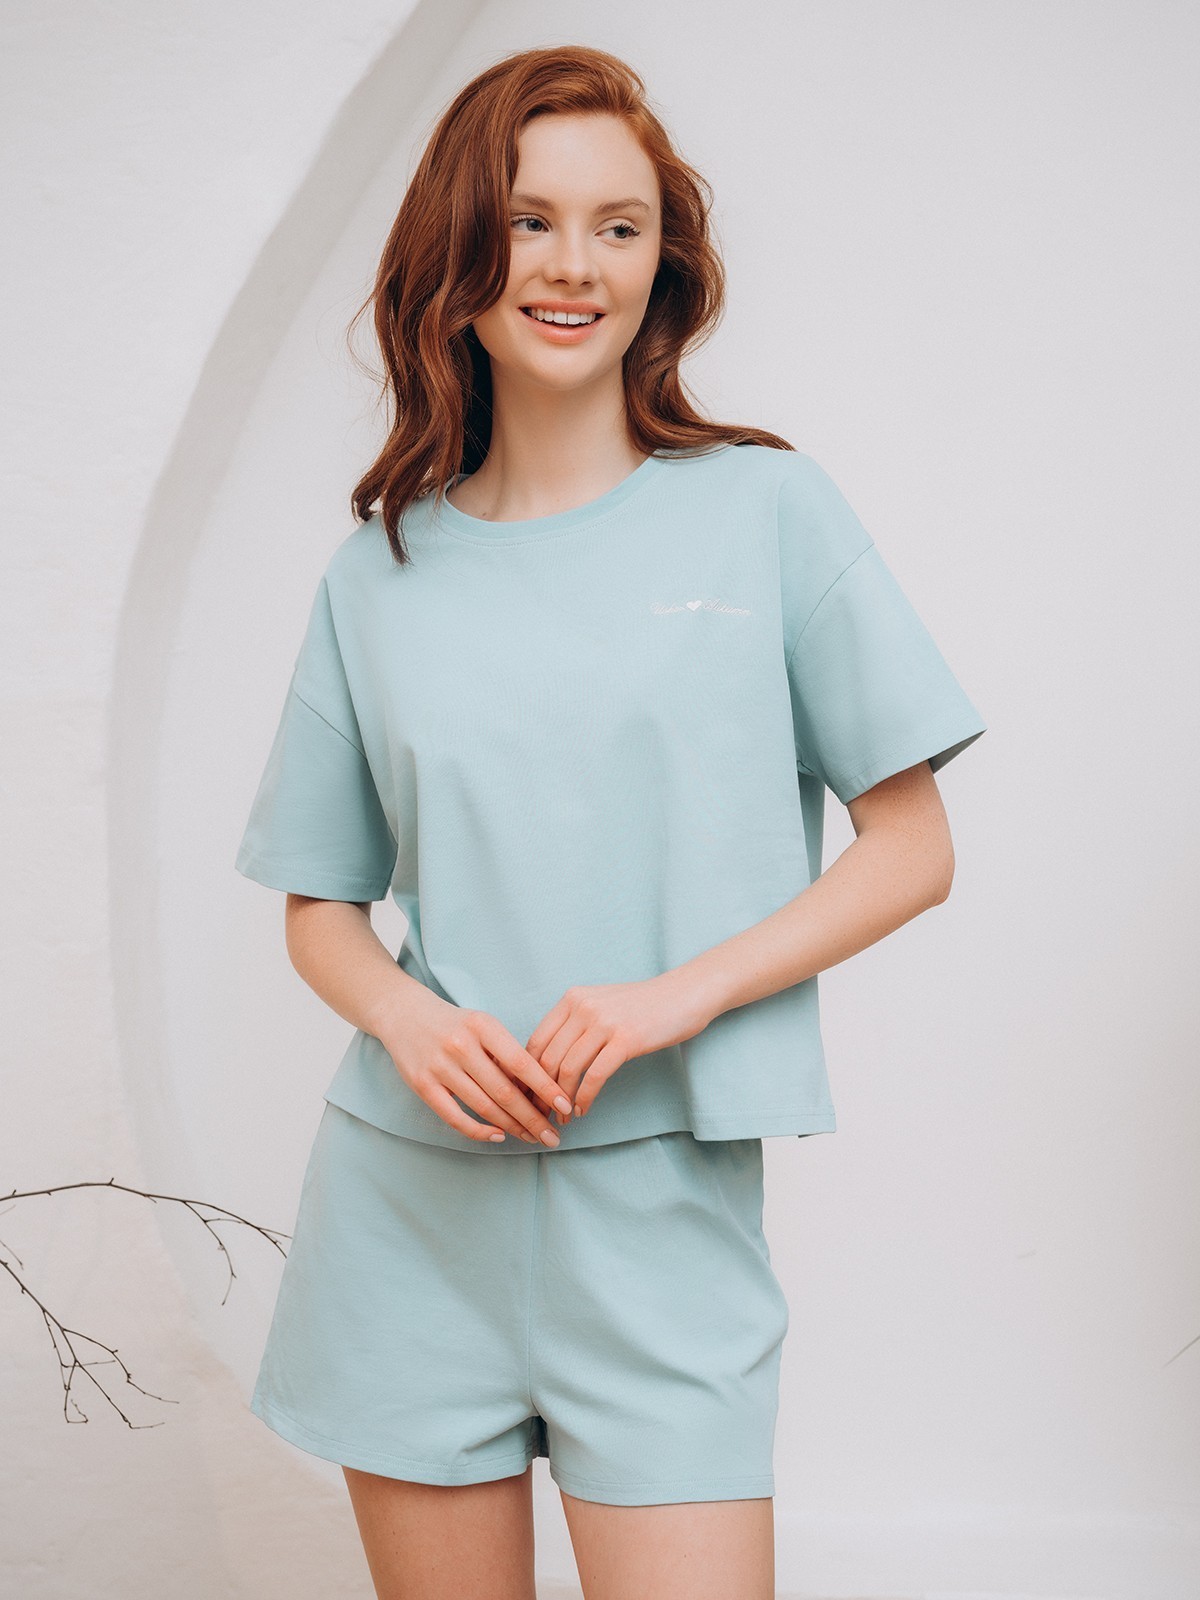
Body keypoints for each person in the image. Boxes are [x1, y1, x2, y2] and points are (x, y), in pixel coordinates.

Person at [232, 42, 987, 1600]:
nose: (574, 264)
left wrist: (673, 997)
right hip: (406, 1220)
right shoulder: (377, 572)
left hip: (663, 1219)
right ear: (460, 249)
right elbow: (319, 904)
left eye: (618, 226)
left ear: (664, 262)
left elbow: (915, 848)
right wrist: (412, 1022)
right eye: (530, 221)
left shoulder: (767, 513)